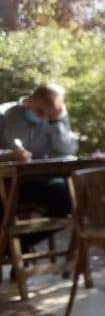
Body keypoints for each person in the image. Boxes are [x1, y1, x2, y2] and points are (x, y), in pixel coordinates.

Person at [0, 84, 79, 218]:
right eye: (41, 111)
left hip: (38, 179)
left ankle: (40, 232)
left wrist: (56, 122)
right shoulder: (4, 114)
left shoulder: (57, 117)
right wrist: (10, 155)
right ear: (31, 99)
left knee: (64, 194)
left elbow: (68, 151)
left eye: (50, 114)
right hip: (5, 180)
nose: (44, 117)